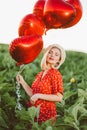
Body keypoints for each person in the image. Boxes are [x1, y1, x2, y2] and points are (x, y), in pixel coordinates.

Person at [16, 44, 66, 123]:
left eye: (56, 54)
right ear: (46, 54)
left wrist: (38, 95)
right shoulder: (40, 73)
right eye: (50, 52)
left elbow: (59, 97)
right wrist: (22, 82)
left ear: (59, 60)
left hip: (46, 116)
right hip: (34, 114)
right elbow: (33, 94)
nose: (52, 55)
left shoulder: (55, 74)